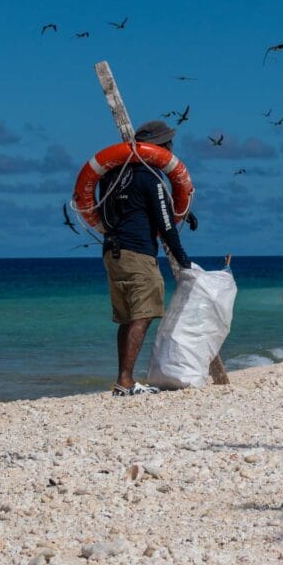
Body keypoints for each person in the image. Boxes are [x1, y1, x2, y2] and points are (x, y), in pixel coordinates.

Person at [98, 120, 193, 396]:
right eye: (169, 145)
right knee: (144, 313)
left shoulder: (112, 176)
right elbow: (165, 225)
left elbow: (134, 208)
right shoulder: (151, 178)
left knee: (128, 316)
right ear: (160, 149)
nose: (172, 149)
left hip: (112, 253)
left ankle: (122, 379)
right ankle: (125, 381)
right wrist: (183, 259)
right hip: (138, 253)